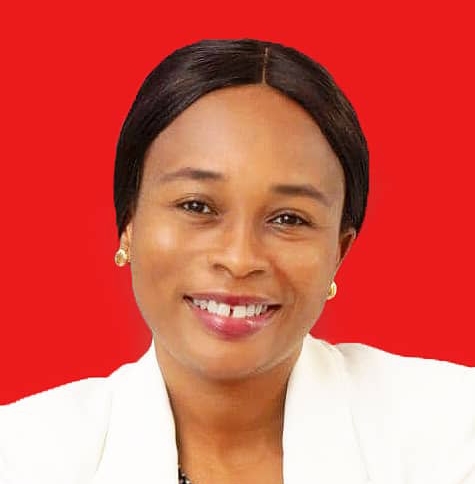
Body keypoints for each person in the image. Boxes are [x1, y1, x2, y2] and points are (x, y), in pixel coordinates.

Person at [0, 38, 474, 484]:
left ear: (339, 251)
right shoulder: (23, 458)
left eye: (289, 218)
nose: (239, 258)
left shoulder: (454, 436)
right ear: (128, 223)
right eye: (197, 206)